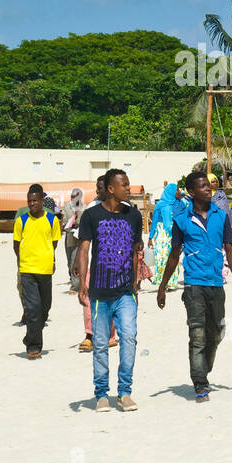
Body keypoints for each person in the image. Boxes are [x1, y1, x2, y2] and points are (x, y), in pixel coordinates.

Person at [158, 169, 232, 403]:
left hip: (217, 283)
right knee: (197, 335)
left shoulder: (221, 215)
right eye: (204, 186)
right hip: (193, 285)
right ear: (192, 192)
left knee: (217, 332)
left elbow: (229, 249)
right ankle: (200, 385)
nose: (209, 189)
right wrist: (163, 286)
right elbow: (174, 256)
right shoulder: (181, 220)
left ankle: (204, 367)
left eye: (209, 186)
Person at [76, 168, 144, 412]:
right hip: (99, 293)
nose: (128, 188)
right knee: (101, 344)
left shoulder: (134, 216)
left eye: (128, 184)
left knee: (130, 338)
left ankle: (124, 392)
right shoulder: (91, 215)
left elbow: (137, 250)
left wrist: (135, 282)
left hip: (126, 291)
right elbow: (83, 250)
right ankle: (102, 393)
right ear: (111, 188)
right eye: (124, 185)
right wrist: (83, 282)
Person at [14, 184, 60, 359]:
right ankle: (33, 347)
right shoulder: (21, 220)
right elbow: (16, 245)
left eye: (35, 200)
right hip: (27, 270)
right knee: (32, 309)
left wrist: (50, 258)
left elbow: (54, 242)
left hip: (46, 269)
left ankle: (29, 337)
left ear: (42, 200)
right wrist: (22, 262)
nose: (32, 203)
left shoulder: (52, 220)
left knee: (44, 309)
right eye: (29, 201)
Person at [77, 175, 117, 352]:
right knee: (88, 297)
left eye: (100, 188)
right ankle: (89, 335)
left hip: (116, 266)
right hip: (94, 264)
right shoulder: (91, 210)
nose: (97, 191)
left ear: (109, 189)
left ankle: (109, 335)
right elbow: (83, 241)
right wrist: (78, 262)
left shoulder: (123, 210)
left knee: (112, 299)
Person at [148, 183, 183, 292]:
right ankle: (163, 282)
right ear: (171, 192)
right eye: (177, 190)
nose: (179, 192)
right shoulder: (160, 205)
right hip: (162, 235)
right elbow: (154, 222)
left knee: (173, 257)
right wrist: (150, 237)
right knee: (162, 258)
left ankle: (171, 282)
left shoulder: (180, 204)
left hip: (175, 232)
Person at [61, 187, 86, 293]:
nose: (73, 198)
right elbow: (63, 222)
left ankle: (75, 287)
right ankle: (74, 279)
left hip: (80, 238)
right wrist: (68, 225)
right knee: (69, 261)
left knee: (75, 260)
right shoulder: (66, 207)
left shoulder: (85, 209)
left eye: (75, 196)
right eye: (72, 196)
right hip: (69, 238)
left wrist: (79, 225)